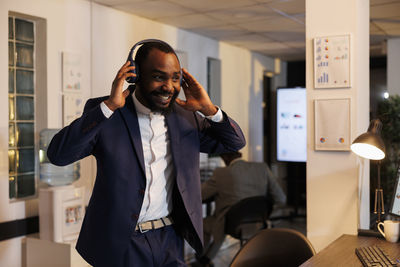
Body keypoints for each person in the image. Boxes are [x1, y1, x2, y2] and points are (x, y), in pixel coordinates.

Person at [47, 40, 245, 267]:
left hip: (170, 239)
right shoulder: (107, 113)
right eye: (159, 77)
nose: (169, 86)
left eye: (175, 78)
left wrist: (209, 110)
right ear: (135, 75)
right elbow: (58, 155)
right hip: (123, 243)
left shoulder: (186, 117)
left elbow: (234, 142)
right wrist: (109, 107)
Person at [199, 151, 286, 265]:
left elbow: (200, 195)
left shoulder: (221, 173)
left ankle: (202, 259)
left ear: (224, 157)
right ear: (239, 155)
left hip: (232, 225)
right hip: (259, 222)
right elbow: (281, 199)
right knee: (220, 220)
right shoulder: (262, 168)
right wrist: (265, 210)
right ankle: (207, 258)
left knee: (204, 223)